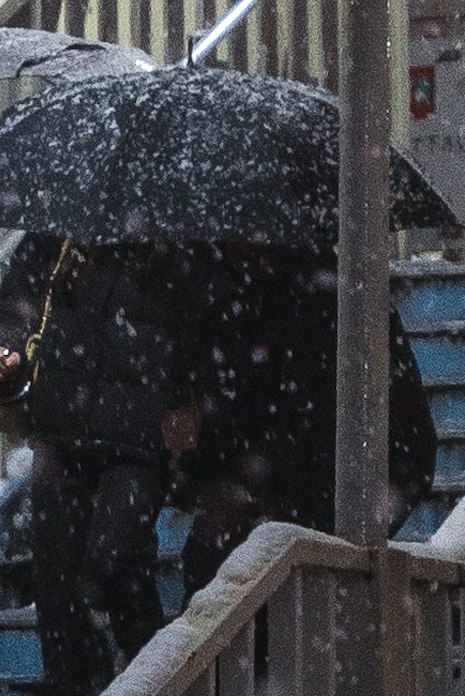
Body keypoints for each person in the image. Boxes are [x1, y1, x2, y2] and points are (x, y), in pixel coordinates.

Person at [0, 233, 226, 696]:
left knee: (113, 562)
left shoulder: (183, 240)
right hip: (61, 437)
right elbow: (12, 312)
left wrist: (193, 404)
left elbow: (208, 332)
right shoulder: (60, 232)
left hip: (139, 443)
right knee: (58, 598)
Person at [175, 244, 440, 572]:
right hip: (271, 553)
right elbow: (414, 444)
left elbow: (413, 445)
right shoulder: (350, 303)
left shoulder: (233, 312)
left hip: (274, 551)